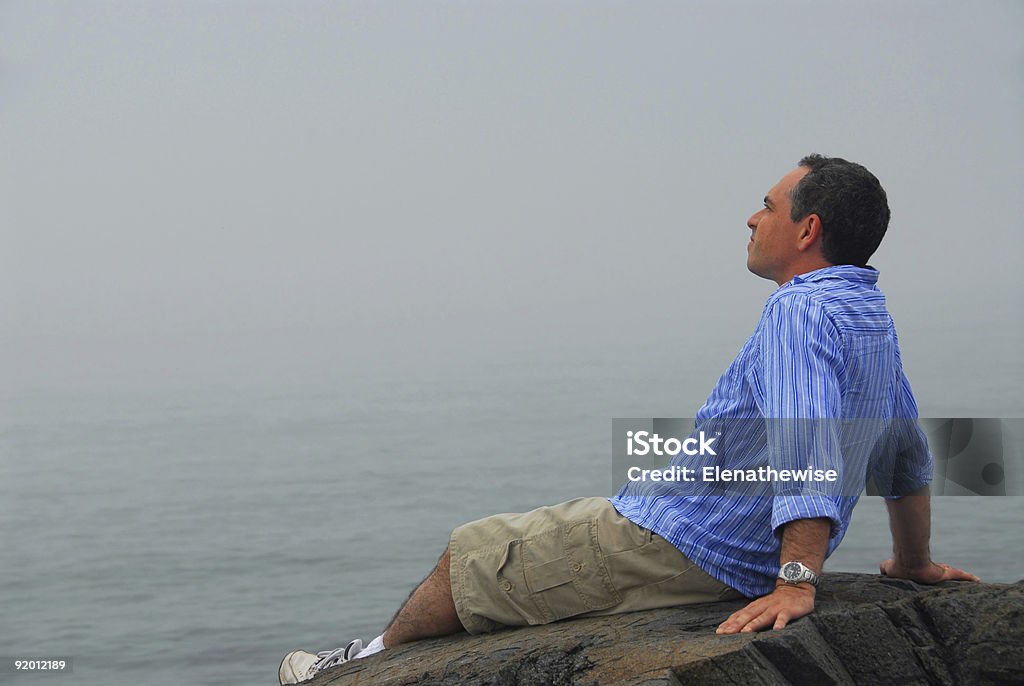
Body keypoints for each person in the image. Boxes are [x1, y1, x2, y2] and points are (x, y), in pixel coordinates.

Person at [279, 155, 980, 685]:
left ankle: (351, 669)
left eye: (765, 206)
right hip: (721, 539)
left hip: (688, 544)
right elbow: (904, 450)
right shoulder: (867, 314)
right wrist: (911, 560)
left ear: (807, 229)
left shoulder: (798, 310)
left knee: (473, 551)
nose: (750, 218)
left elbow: (806, 442)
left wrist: (797, 582)